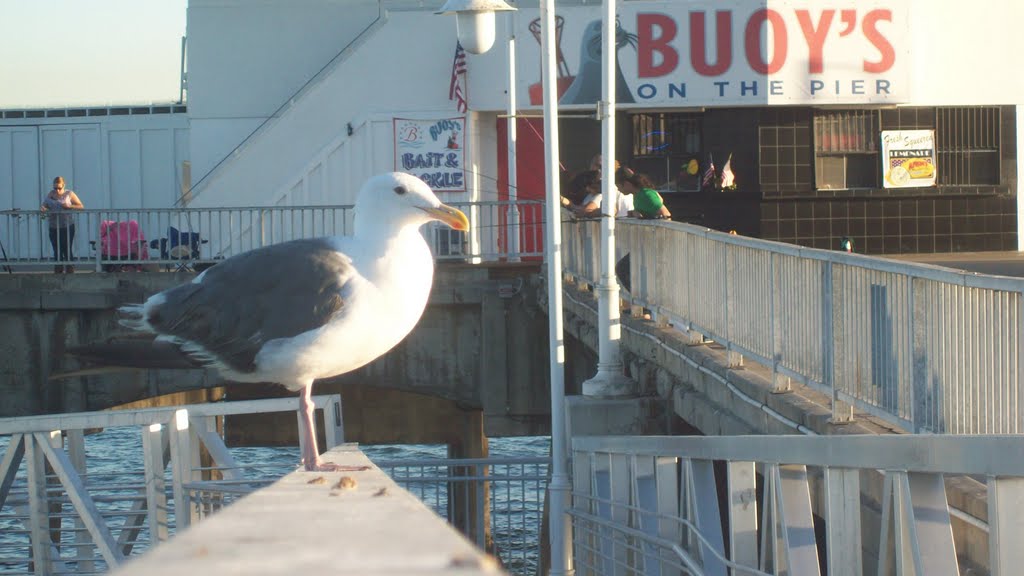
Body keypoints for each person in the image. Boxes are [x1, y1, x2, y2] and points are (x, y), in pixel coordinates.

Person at [40, 176, 84, 273]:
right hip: (53, 226)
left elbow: (81, 206)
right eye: (55, 188)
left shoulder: (69, 193)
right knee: (56, 248)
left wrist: (69, 206)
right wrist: (43, 208)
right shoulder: (51, 194)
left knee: (66, 247)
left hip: (67, 225)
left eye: (59, 188)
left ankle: (70, 268)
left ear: (64, 186)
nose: (57, 190)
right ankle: (58, 269)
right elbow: (45, 205)